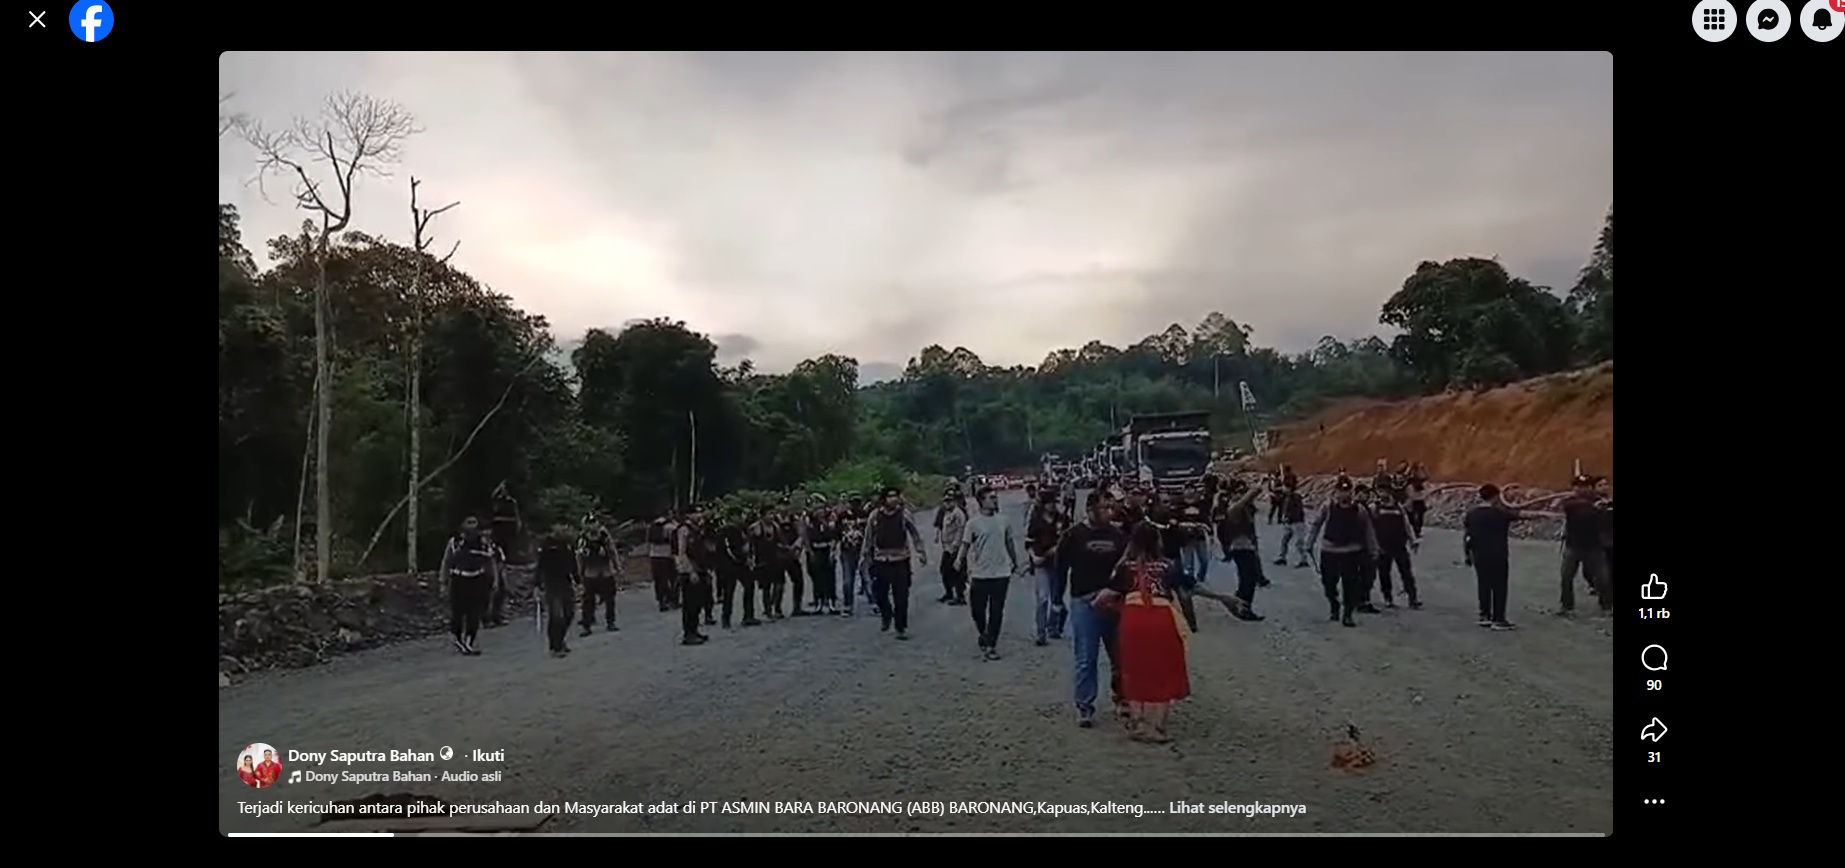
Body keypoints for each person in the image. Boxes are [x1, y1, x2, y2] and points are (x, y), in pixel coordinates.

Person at [1103, 522, 1244, 743]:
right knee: (1163, 670)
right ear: (1157, 541)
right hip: (1161, 617)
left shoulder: (1125, 567)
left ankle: (1138, 722)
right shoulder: (1169, 566)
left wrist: (1095, 606)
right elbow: (1193, 587)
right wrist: (1224, 597)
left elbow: (1105, 596)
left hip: (1133, 620)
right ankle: (1157, 727)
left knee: (1133, 668)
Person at [1060, 491, 1130, 728]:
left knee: (1121, 656)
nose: (1109, 512)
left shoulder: (1119, 536)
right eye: (1104, 508)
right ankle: (1084, 706)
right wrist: (1057, 599)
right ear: (1090, 509)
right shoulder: (1073, 535)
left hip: (1113, 600)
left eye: (1111, 508)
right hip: (1084, 602)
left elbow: (1126, 570)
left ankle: (1123, 698)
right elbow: (1061, 567)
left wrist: (1116, 590)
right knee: (1086, 658)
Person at [958, 486, 1020, 660]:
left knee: (996, 610)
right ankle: (983, 632)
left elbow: (1009, 543)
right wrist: (958, 560)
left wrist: (1014, 561)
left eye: (995, 497)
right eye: (991, 497)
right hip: (980, 573)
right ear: (981, 501)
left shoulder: (1004, 521)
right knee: (977, 610)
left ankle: (991, 644)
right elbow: (965, 544)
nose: (995, 500)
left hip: (1001, 573)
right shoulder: (973, 523)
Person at [1308, 479, 1380, 627]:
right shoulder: (1328, 506)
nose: (1344, 494)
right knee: (1328, 583)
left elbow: (1368, 530)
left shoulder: (1360, 510)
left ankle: (1347, 614)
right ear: (1336, 491)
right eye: (1341, 490)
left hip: (1351, 552)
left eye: (1346, 491)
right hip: (1329, 551)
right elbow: (1316, 524)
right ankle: (1334, 605)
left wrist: (1373, 549)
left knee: (1350, 585)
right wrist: (1309, 543)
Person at [859, 487, 927, 639]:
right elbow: (868, 536)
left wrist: (921, 552)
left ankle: (900, 627)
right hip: (881, 560)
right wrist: (864, 555)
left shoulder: (904, 515)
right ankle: (886, 614)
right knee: (879, 594)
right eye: (890, 496)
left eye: (895, 496)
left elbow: (915, 534)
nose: (893, 499)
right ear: (884, 499)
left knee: (901, 596)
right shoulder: (875, 516)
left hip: (900, 559)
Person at [1464, 484, 1529, 630]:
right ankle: (1499, 619)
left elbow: (1467, 536)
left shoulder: (1472, 513)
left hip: (1479, 554)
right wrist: (1546, 515)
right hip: (1497, 554)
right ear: (1495, 496)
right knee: (1499, 586)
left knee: (1483, 584)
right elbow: (1522, 515)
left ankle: (1484, 615)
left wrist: (1467, 554)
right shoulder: (1500, 513)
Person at [440, 516, 499, 655]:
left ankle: (469, 640)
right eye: (469, 522)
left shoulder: (483, 543)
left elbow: (491, 561)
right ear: (462, 525)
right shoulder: (455, 543)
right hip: (459, 579)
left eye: (474, 522)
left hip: (477, 580)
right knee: (458, 612)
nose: (472, 525)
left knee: (475, 612)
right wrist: (443, 582)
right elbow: (446, 563)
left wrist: (495, 579)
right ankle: (457, 637)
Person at [1211, 480, 1268, 621]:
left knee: (1248, 579)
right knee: (1248, 580)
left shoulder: (1241, 509)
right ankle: (1243, 608)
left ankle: (1238, 604)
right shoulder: (1234, 509)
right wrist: (1257, 489)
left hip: (1245, 547)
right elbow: (1245, 500)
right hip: (1241, 548)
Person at [1558, 474, 1613, 616]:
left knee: (1603, 578)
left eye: (1585, 486)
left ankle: (1607, 606)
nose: (1582, 489)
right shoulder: (1571, 502)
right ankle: (1566, 606)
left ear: (1591, 488)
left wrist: (1602, 506)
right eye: (1578, 487)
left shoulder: (1602, 502)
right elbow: (1569, 507)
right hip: (1573, 546)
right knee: (1566, 577)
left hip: (1594, 546)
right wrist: (1594, 506)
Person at [1025, 487, 1070, 645]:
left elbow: (1068, 540)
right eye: (1049, 503)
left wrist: (1060, 549)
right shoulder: (1036, 521)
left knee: (1057, 599)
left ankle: (1055, 626)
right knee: (1043, 598)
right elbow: (1028, 543)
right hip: (1041, 563)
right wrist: (1034, 557)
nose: (1053, 506)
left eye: (1054, 502)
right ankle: (1041, 632)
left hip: (1058, 563)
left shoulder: (1063, 519)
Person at [1370, 489, 1421, 608]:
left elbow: (1406, 525)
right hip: (1382, 547)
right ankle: (1388, 597)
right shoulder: (1374, 508)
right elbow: (1369, 527)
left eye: (1386, 491)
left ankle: (1412, 598)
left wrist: (1412, 540)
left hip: (1399, 545)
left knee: (1406, 573)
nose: (1384, 494)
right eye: (1382, 491)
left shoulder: (1399, 508)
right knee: (1384, 573)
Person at [536, 527, 580, 657]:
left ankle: (561, 640)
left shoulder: (568, 545)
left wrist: (578, 581)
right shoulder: (547, 546)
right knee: (556, 616)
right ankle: (555, 646)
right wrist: (538, 584)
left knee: (569, 613)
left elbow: (573, 564)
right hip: (552, 584)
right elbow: (540, 566)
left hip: (566, 583)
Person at [576, 515, 619, 636]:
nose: (592, 525)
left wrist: (617, 567)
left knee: (610, 599)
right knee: (588, 601)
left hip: (605, 571)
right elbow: (579, 557)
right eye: (589, 523)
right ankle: (587, 624)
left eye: (593, 522)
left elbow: (612, 551)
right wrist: (580, 573)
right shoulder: (583, 539)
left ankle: (611, 621)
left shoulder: (604, 536)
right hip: (590, 573)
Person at [485, 484, 521, 626]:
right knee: (493, 586)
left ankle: (496, 615)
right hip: (493, 551)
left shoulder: (511, 504)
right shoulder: (492, 508)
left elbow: (517, 522)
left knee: (501, 586)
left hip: (502, 549)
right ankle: (488, 616)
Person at [675, 509, 711, 645]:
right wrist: (690, 571)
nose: (699, 515)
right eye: (696, 513)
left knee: (698, 602)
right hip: (689, 571)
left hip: (700, 568)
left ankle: (694, 630)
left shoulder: (697, 529)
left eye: (701, 512)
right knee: (689, 603)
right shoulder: (684, 530)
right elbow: (682, 552)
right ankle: (688, 633)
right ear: (688, 514)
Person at [935, 492, 970, 606]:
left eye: (949, 501)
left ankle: (960, 596)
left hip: (956, 548)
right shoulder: (946, 513)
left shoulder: (958, 513)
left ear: (954, 502)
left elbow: (961, 529)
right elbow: (942, 528)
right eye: (945, 501)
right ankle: (949, 593)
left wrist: (956, 544)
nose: (947, 503)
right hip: (947, 547)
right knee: (944, 570)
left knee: (958, 572)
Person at [805, 504, 840, 615]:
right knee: (817, 578)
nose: (820, 512)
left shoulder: (830, 523)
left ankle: (831, 603)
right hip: (816, 550)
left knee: (830, 577)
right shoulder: (810, 524)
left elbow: (834, 537)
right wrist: (810, 552)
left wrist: (833, 551)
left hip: (827, 550)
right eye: (817, 510)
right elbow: (807, 538)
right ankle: (818, 603)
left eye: (821, 509)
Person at [747, 510, 781, 624]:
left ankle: (773, 605)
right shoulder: (755, 528)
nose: (771, 516)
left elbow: (779, 541)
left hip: (775, 559)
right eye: (769, 514)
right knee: (766, 587)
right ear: (762, 516)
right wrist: (750, 558)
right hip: (761, 560)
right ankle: (768, 610)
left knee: (778, 584)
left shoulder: (776, 527)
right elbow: (749, 544)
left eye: (772, 514)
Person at [838, 498, 867, 619]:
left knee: (868, 578)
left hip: (862, 550)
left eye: (857, 502)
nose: (854, 505)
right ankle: (848, 605)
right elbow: (837, 532)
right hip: (847, 551)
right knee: (847, 580)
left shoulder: (865, 515)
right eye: (852, 502)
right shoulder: (842, 516)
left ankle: (875, 603)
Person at [1272, 482, 1311, 568]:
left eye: (1285, 486)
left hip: (1297, 522)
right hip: (1289, 523)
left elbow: (1297, 510)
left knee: (1299, 542)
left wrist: (1289, 517)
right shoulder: (1286, 497)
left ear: (1289, 488)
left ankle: (1303, 559)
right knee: (1284, 540)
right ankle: (1282, 557)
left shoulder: (1296, 497)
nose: (1283, 488)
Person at [646, 515, 678, 612]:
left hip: (654, 556)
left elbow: (648, 542)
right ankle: (673, 600)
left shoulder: (651, 526)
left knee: (659, 580)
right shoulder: (670, 527)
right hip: (667, 556)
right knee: (673, 579)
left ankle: (661, 601)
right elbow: (676, 540)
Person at [1405, 462, 1430, 536]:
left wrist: (1423, 469)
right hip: (1413, 499)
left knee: (1419, 516)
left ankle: (1417, 530)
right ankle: (1415, 530)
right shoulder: (1411, 476)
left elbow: (1426, 477)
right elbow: (1405, 477)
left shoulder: (1420, 477)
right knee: (1413, 516)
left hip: (1419, 499)